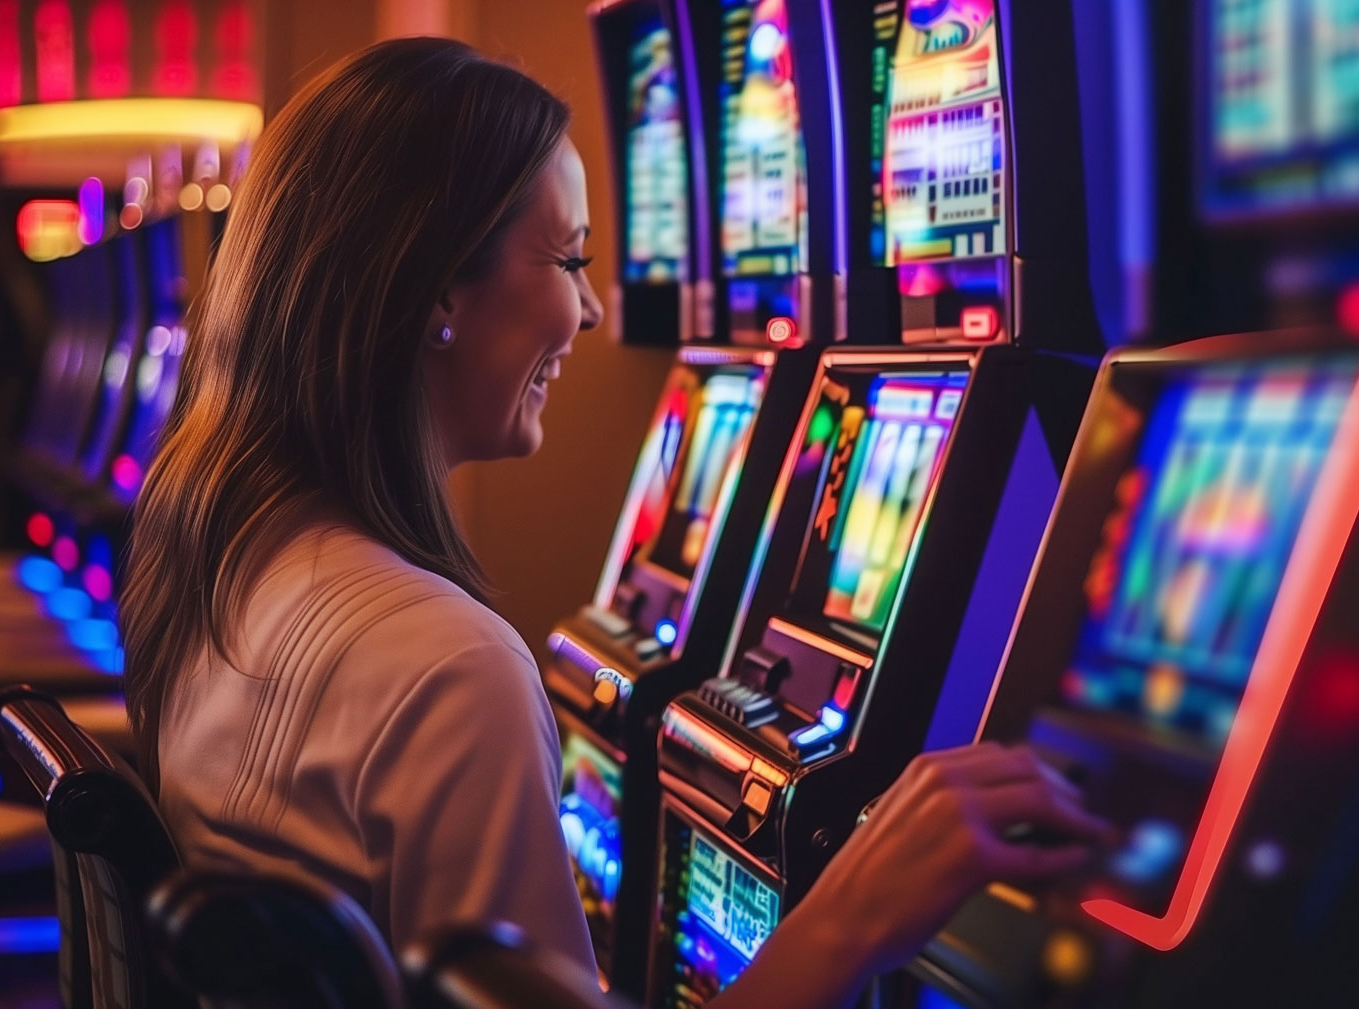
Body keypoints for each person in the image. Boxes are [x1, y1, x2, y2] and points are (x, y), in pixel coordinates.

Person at [120, 37, 1108, 1008]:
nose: (592, 309)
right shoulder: (441, 665)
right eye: (569, 257)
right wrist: (852, 913)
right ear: (437, 295)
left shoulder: (229, 562)